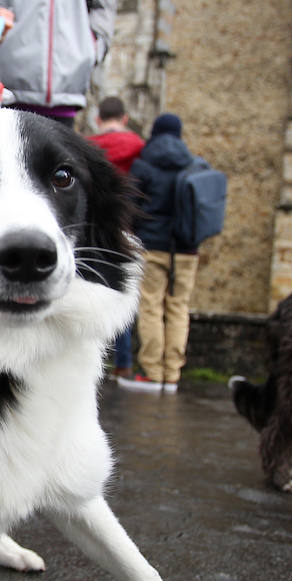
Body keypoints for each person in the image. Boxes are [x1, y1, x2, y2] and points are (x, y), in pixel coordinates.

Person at [118, 113, 207, 394]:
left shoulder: (144, 165)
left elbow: (132, 207)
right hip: (186, 250)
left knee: (151, 307)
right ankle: (172, 375)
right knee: (179, 307)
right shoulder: (193, 165)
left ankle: (153, 373)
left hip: (153, 247)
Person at [87, 95, 143, 377]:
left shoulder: (87, 148)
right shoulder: (140, 148)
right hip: (129, 230)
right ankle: (123, 364)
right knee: (121, 293)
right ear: (124, 119)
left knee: (89, 293)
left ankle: (91, 360)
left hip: (93, 232)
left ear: (98, 120)